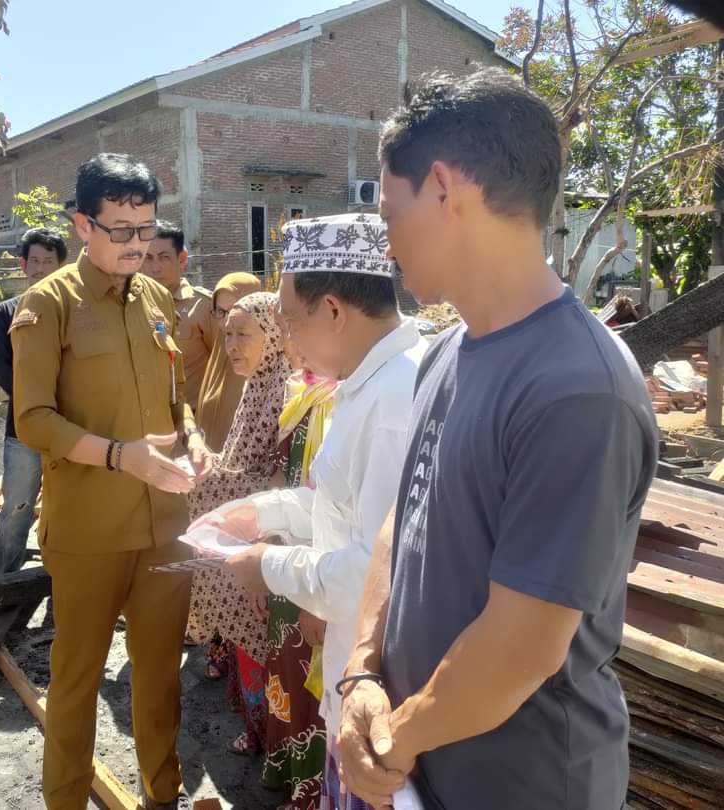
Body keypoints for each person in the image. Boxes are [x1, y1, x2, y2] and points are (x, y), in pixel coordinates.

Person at [336, 69, 658, 810]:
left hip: (525, 784)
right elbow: (400, 524)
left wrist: (390, 741)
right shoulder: (448, 352)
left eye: (391, 213)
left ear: (445, 188)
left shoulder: (576, 389)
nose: (388, 243)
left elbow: (521, 648)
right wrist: (360, 670)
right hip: (421, 767)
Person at [191, 214, 424, 809]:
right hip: (354, 675)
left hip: (382, 691)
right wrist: (261, 511)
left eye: (290, 322)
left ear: (334, 311)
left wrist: (266, 566)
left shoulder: (394, 402)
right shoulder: (364, 384)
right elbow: (336, 508)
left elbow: (369, 576)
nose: (286, 340)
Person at [9, 153, 214, 810]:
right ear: (82, 225)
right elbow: (33, 419)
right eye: (120, 229)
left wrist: (193, 438)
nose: (135, 245)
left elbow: (173, 395)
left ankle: (163, 795)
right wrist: (122, 457)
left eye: (145, 229)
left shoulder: (158, 299)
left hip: (163, 532)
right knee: (76, 682)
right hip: (90, 532)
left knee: (159, 681)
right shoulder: (48, 305)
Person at [186, 291, 292, 757]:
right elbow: (238, 463)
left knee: (265, 643)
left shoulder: (288, 389)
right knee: (248, 645)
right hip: (245, 534)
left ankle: (272, 740)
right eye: (226, 333)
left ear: (272, 337)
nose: (231, 344)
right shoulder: (256, 385)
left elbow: (279, 478)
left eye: (243, 334)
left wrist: (210, 484)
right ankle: (257, 727)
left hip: (270, 539)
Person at [258, 340, 336, 810]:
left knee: (315, 676)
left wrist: (317, 600)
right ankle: (286, 768)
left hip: (319, 570)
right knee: (285, 667)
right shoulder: (299, 393)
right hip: (286, 554)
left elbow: (333, 509)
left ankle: (313, 790)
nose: (290, 344)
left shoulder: (340, 403)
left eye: (297, 327)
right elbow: (282, 473)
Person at [0, 227, 68, 581]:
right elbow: (2, 368)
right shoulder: (7, 312)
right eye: (34, 260)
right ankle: (5, 581)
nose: (40, 268)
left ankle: (63, 576)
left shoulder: (74, 312)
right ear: (22, 265)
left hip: (70, 429)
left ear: (61, 266)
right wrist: (39, 408)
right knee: (18, 507)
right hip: (23, 430)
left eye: (48, 261)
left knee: (67, 507)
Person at [141, 221, 215, 412]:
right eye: (147, 258)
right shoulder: (132, 307)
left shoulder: (203, 306)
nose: (154, 268)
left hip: (192, 425)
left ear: (181, 259)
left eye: (163, 257)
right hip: (147, 427)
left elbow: (226, 368)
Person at [195, 272, 262, 452]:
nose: (226, 322)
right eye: (220, 312)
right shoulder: (219, 355)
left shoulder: (267, 364)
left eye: (233, 311)